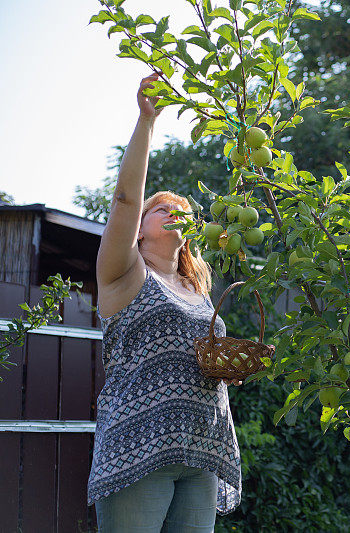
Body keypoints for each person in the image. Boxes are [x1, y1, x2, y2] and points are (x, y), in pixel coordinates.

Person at [87, 73, 248, 531]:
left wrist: (226, 369)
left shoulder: (198, 291)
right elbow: (122, 201)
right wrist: (147, 121)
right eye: (161, 208)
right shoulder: (125, 274)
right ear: (139, 228)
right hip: (140, 445)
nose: (175, 210)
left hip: (203, 449)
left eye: (183, 209)